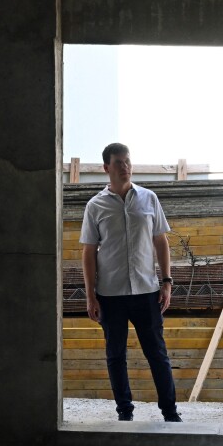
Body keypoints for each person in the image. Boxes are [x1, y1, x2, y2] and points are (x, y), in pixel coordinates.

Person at [79, 143, 182, 422]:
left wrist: (167, 281)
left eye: (127, 161)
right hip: (110, 295)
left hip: (147, 292)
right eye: (118, 162)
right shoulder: (95, 206)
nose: (125, 167)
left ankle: (170, 412)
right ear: (106, 168)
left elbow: (161, 241)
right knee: (116, 356)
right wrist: (90, 296)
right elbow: (88, 252)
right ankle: (125, 411)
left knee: (157, 354)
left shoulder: (149, 199)